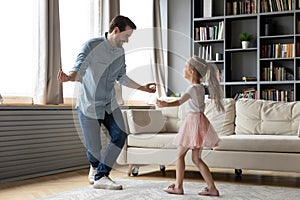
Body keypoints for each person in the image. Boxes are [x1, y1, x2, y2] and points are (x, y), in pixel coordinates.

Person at [57, 15, 156, 190]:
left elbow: (122, 77)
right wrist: (68, 78)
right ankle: (95, 167)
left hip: (109, 104)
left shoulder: (120, 52)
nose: (127, 41)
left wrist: (144, 88)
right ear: (116, 31)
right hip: (89, 105)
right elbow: (78, 68)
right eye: (126, 36)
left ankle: (101, 175)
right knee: (94, 148)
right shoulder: (91, 46)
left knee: (120, 134)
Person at [156, 56, 224, 196]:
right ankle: (212, 188)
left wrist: (165, 104)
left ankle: (178, 186)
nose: (183, 69)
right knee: (196, 158)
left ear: (192, 70)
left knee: (179, 155)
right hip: (200, 122)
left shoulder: (192, 88)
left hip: (192, 123)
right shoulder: (200, 88)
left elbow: (179, 102)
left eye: (185, 66)